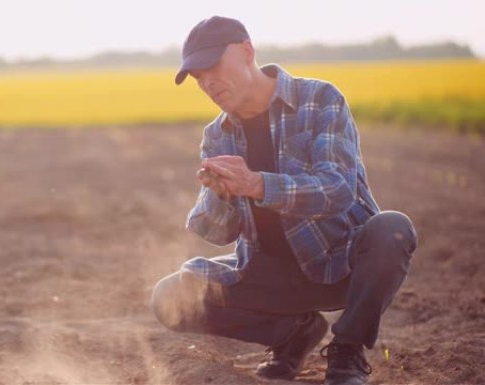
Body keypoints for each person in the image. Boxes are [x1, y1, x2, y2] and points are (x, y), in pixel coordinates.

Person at [151, 16, 418, 385]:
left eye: (212, 65)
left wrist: (258, 184)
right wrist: (222, 195)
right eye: (197, 76)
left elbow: (338, 188)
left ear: (247, 51)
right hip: (270, 275)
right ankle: (293, 334)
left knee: (393, 229)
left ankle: (348, 350)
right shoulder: (217, 134)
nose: (207, 82)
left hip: (339, 262)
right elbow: (215, 232)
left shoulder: (321, 99)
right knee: (169, 296)